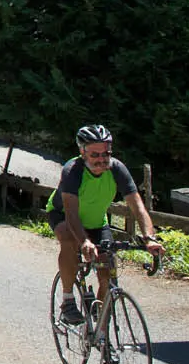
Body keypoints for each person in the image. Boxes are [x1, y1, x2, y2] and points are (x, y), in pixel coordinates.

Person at [47, 123, 166, 324]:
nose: (101, 159)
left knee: (107, 274)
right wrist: (84, 241)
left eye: (106, 153)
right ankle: (68, 300)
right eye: (95, 155)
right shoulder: (72, 171)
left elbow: (138, 207)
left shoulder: (117, 169)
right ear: (82, 152)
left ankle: (101, 331)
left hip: (96, 221)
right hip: (64, 216)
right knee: (69, 241)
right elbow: (72, 214)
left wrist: (149, 238)